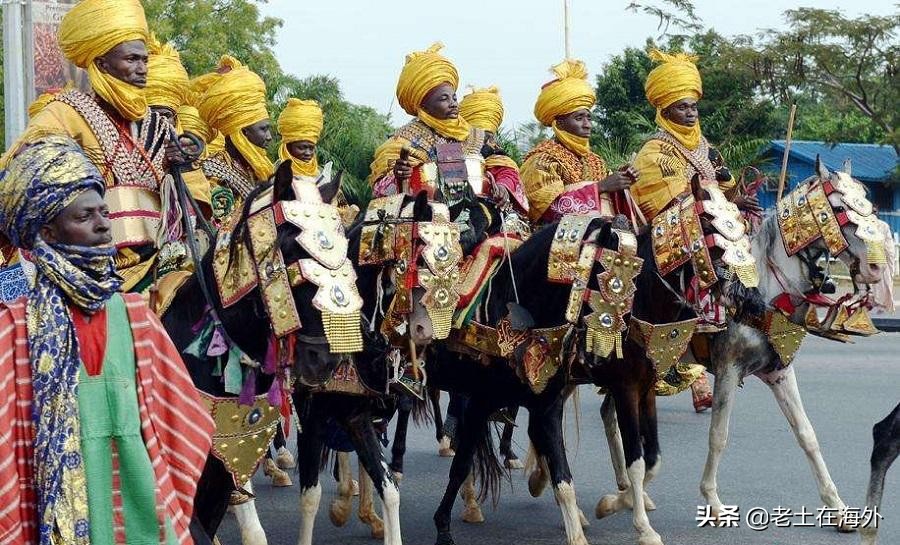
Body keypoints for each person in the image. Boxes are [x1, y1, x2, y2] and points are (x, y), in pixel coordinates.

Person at [0, 136, 214, 545]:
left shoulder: (137, 318)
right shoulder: (13, 326)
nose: (103, 225)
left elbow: (185, 424)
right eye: (85, 216)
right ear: (46, 230)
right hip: (43, 514)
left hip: (144, 513)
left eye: (104, 212)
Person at [0, 0, 210, 292]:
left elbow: (197, 209)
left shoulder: (158, 124)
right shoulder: (63, 114)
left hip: (159, 265)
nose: (142, 70)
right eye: (132, 60)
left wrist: (182, 167)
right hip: (82, 269)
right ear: (101, 63)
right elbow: (21, 180)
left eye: (144, 60)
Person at [630, 50, 762, 412]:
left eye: (693, 106)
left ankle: (751, 331)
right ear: (665, 110)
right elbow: (668, 202)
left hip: (712, 226)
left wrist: (738, 201)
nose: (690, 112)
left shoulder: (707, 149)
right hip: (672, 234)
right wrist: (714, 203)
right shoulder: (654, 151)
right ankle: (682, 363)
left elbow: (725, 189)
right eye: (682, 107)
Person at [368, 43, 507, 213]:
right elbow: (380, 192)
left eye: (454, 98)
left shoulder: (477, 136)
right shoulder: (401, 141)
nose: (453, 104)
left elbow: (504, 168)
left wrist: (502, 186)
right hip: (426, 217)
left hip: (481, 211)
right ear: (423, 106)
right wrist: (399, 177)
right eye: (444, 99)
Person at [520, 59, 637, 225]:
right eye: (579, 118)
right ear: (559, 123)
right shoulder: (542, 161)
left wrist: (622, 183)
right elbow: (547, 210)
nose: (587, 124)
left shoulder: (596, 161)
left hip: (604, 232)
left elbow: (611, 208)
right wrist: (600, 187)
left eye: (589, 117)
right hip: (560, 241)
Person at [197, 56, 274, 222]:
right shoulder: (213, 172)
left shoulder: (259, 171)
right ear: (244, 133)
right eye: (263, 129)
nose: (269, 137)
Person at [458, 85, 529, 215]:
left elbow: (508, 174)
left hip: (493, 211)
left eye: (489, 137)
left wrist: (502, 187)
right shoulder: (453, 151)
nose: (485, 142)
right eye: (478, 135)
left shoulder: (499, 157)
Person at [277, 98, 325, 180]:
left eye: (311, 148)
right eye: (302, 147)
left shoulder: (319, 175)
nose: (308, 153)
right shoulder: (275, 174)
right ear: (288, 147)